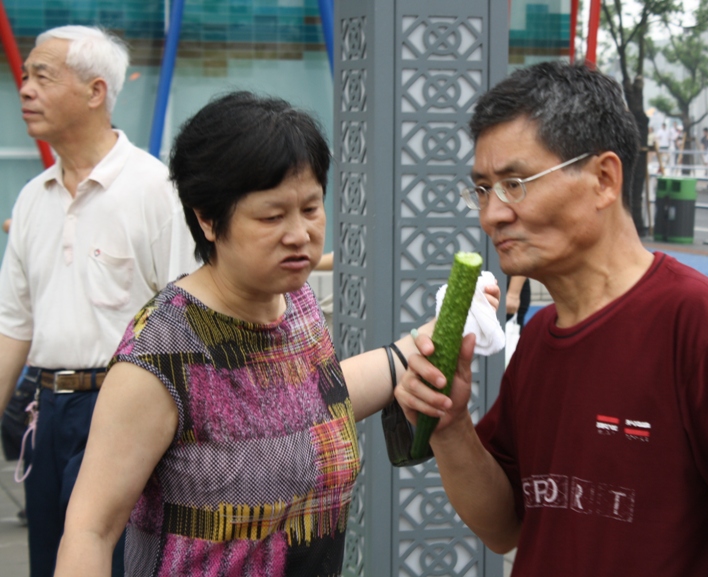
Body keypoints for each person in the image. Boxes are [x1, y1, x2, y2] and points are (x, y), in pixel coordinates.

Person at [52, 92, 500, 577]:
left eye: (311, 209)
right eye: (271, 216)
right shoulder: (161, 357)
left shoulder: (295, 301)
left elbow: (310, 400)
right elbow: (90, 531)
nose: (299, 234)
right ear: (206, 218)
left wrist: (430, 338)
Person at [396, 61, 708, 576]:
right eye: (481, 189)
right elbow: (506, 529)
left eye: (515, 183)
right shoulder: (542, 337)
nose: (492, 214)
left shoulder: (706, 328)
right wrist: (451, 427)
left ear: (604, 179)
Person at [0, 25, 198, 577]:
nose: (26, 89)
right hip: (46, 411)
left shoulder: (155, 190)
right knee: (50, 562)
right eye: (24, 75)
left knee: (112, 563)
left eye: (42, 76)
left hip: (124, 410)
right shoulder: (32, 198)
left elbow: (189, 319)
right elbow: (12, 327)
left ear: (96, 91)